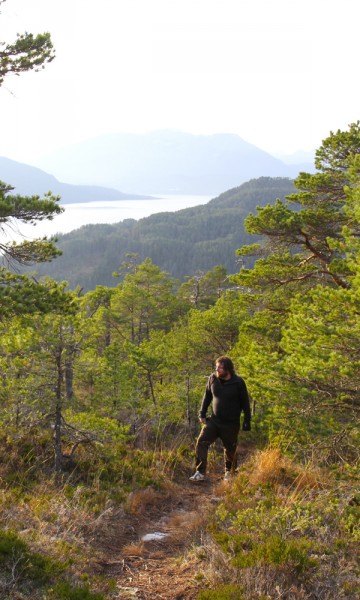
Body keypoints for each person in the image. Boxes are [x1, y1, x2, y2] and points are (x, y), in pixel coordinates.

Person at [189, 355, 251, 482]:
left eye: (220, 368)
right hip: (214, 421)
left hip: (231, 424)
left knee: (230, 449)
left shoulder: (238, 383)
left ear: (228, 369)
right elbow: (207, 397)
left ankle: (230, 472)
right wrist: (202, 413)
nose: (217, 370)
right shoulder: (213, 379)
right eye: (216, 368)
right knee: (202, 442)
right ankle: (200, 472)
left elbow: (245, 403)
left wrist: (247, 420)